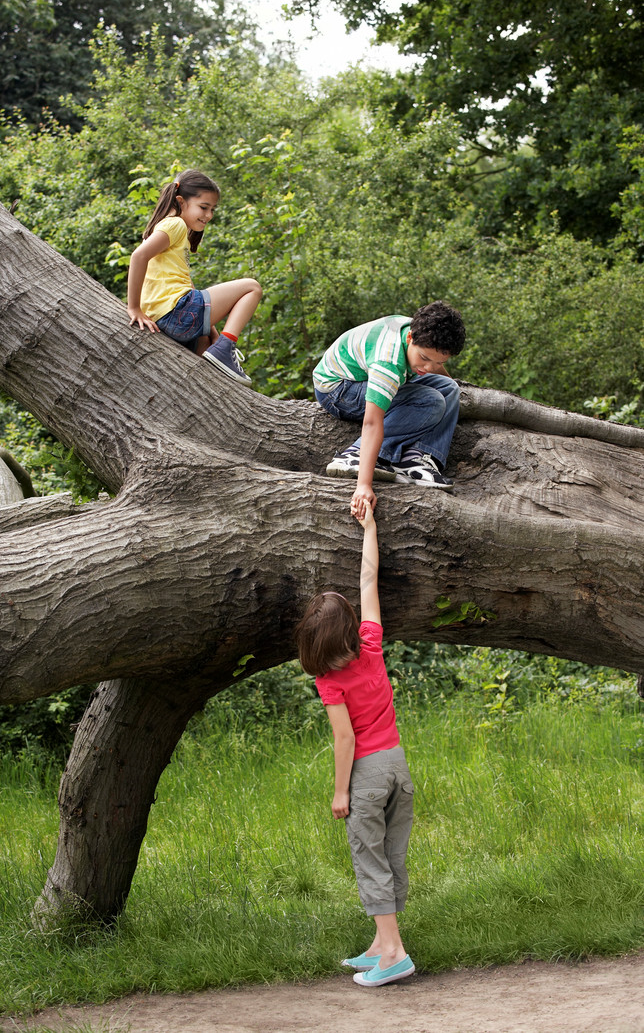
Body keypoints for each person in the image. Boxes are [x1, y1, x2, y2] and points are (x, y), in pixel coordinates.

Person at [295, 500, 416, 988]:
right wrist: (369, 526)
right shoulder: (370, 643)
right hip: (397, 766)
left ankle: (394, 952)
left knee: (369, 858)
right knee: (390, 853)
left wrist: (341, 791)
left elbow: (345, 738)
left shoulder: (329, 680)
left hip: (365, 773)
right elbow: (369, 580)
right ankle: (378, 942)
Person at [313, 302, 465, 518]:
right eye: (424, 359)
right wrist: (363, 486)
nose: (428, 368)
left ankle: (416, 458)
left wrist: (452, 387)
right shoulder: (389, 363)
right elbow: (372, 422)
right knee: (431, 401)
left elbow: (435, 369)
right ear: (411, 339)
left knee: (449, 388)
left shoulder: (420, 332)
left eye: (438, 362)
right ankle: (354, 455)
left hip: (365, 376)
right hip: (338, 389)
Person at [126, 168, 262, 386]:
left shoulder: (170, 230)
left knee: (206, 344)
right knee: (252, 287)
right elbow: (138, 257)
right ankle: (227, 347)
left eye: (212, 210)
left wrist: (213, 332)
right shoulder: (175, 224)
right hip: (176, 311)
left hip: (167, 319)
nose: (208, 216)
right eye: (203, 207)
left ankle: (216, 365)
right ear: (181, 201)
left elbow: (187, 284)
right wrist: (133, 308)